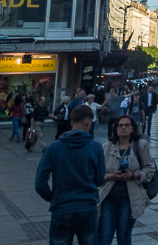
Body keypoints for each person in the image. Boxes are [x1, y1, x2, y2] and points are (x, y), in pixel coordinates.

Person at [35, 104, 106, 245]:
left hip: (62, 208)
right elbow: (99, 180)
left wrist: (53, 198)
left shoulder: (54, 148)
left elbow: (39, 184)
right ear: (88, 122)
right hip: (87, 208)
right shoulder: (96, 147)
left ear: (71, 122)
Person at [98, 115, 155, 245]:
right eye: (120, 125)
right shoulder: (106, 147)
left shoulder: (141, 145)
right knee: (105, 236)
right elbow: (97, 174)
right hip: (108, 197)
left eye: (127, 125)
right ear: (116, 129)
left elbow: (150, 169)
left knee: (123, 236)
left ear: (132, 129)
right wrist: (112, 176)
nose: (123, 127)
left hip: (129, 198)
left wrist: (133, 175)